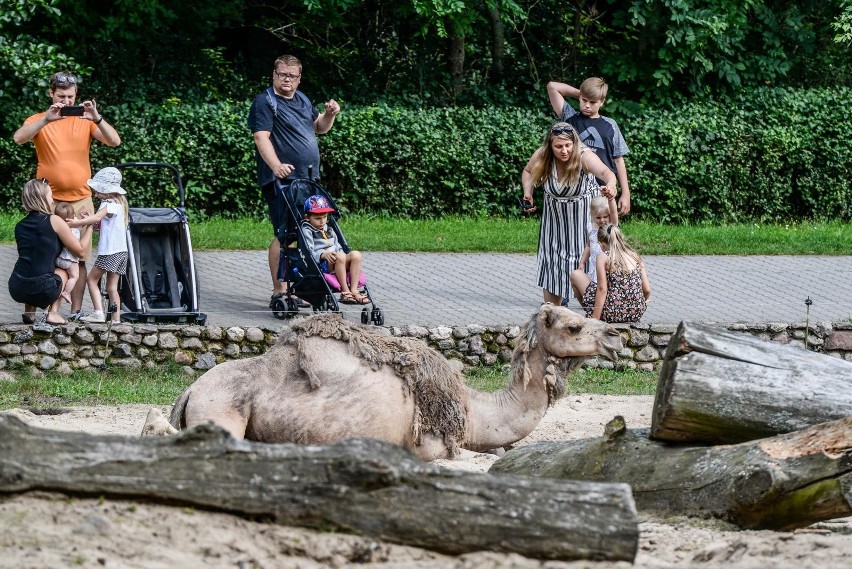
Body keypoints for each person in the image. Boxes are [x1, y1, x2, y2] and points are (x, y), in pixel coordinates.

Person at [13, 70, 121, 319]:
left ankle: (74, 311)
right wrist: (46, 121)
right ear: (51, 93)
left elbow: (114, 141)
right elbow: (18, 138)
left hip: (81, 198)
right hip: (47, 201)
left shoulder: (85, 120)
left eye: (70, 96)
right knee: (42, 255)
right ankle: (30, 311)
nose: (66, 101)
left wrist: (97, 117)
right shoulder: (39, 119)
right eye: (61, 95)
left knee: (78, 259)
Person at [247, 54, 341, 311]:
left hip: (309, 179)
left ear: (299, 79)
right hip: (282, 181)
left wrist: (330, 114)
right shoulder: (265, 102)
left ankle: (302, 286)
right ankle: (280, 290)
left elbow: (319, 127)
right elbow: (260, 137)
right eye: (282, 74)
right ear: (274, 75)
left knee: (306, 232)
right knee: (285, 233)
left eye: (292, 75)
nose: (287, 79)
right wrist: (276, 166)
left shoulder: (302, 99)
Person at [522, 122, 617, 306]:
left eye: (567, 145)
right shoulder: (543, 155)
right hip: (554, 225)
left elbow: (606, 172)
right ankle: (552, 321)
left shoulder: (584, 156)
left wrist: (611, 185)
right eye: (558, 146)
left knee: (586, 274)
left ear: (574, 143)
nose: (564, 150)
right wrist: (528, 193)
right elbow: (527, 172)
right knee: (553, 272)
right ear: (550, 146)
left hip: (582, 225)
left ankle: (596, 315)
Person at [8, 179, 93, 330]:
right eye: (50, 195)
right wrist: (90, 226)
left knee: (32, 264)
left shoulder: (20, 225)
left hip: (16, 286)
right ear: (41, 198)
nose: (52, 199)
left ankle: (29, 313)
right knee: (63, 269)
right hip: (42, 288)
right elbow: (80, 251)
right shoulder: (54, 220)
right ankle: (53, 313)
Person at [546, 77, 631, 215]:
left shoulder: (611, 125)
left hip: (604, 191)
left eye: (593, 102)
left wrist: (625, 194)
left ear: (602, 102)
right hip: (575, 191)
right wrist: (583, 93)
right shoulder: (569, 118)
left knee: (606, 233)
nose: (587, 105)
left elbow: (619, 160)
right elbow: (552, 86)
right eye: (584, 100)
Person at [70, 168, 129, 324]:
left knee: (91, 280)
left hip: (109, 252)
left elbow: (97, 218)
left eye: (99, 191)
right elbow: (102, 223)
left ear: (108, 192)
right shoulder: (119, 204)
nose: (96, 194)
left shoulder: (108, 204)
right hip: (121, 252)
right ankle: (115, 319)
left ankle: (98, 313)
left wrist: (77, 223)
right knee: (112, 287)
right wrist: (92, 221)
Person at [300, 194, 368, 305]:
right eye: (317, 218)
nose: (322, 221)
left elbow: (337, 246)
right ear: (307, 217)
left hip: (338, 259)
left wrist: (341, 253)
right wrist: (323, 254)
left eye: (324, 217)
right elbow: (309, 251)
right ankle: (345, 291)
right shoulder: (307, 230)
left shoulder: (329, 229)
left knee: (356, 255)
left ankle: (354, 289)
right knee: (340, 256)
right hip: (323, 264)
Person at [578, 224, 651, 323]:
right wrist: (640, 303)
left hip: (612, 313)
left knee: (576, 275)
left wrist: (595, 321)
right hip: (636, 313)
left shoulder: (603, 257)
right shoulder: (635, 255)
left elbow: (602, 289)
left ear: (600, 244)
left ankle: (592, 315)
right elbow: (647, 290)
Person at [570, 193, 619, 303]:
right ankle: (591, 307)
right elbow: (588, 245)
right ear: (592, 216)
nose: (602, 220)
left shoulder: (611, 228)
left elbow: (614, 211)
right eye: (598, 217)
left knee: (606, 288)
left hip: (608, 268)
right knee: (591, 288)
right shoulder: (591, 228)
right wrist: (582, 261)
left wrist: (611, 199)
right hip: (594, 269)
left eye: (605, 216)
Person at [53, 201, 83, 304]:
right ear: (72, 216)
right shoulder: (74, 228)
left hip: (58, 258)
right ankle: (66, 292)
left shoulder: (56, 227)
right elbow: (80, 225)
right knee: (74, 276)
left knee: (59, 275)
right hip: (70, 260)